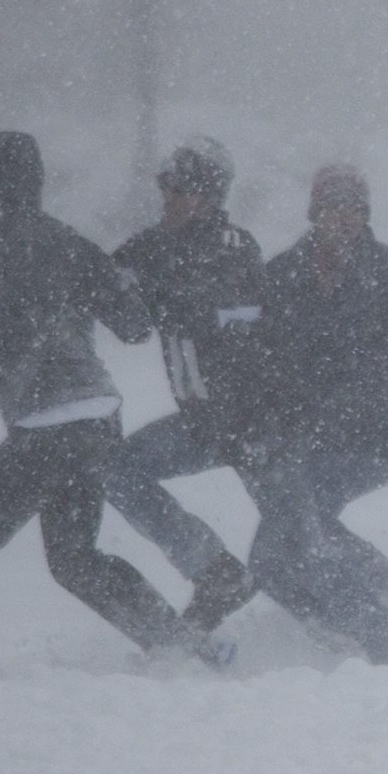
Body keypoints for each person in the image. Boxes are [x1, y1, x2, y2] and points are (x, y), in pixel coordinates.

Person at [0, 130, 220, 671]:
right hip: (97, 422)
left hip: (45, 430)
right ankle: (187, 650)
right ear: (35, 182)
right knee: (75, 561)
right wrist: (148, 274)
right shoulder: (70, 242)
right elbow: (133, 326)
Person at [241, 165, 388, 679]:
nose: (345, 219)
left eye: (355, 209)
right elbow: (263, 358)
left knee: (296, 535)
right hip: (307, 440)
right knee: (274, 554)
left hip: (374, 437)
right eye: (335, 207)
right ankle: (352, 623)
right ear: (315, 212)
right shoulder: (284, 275)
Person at [102, 137, 272, 634]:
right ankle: (215, 571)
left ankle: (365, 610)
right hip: (201, 422)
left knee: (293, 532)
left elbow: (247, 320)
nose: (165, 199)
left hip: (252, 422)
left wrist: (188, 301)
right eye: (164, 187)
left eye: (176, 189)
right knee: (117, 469)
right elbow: (125, 318)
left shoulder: (238, 250)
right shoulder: (150, 248)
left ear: (205, 195)